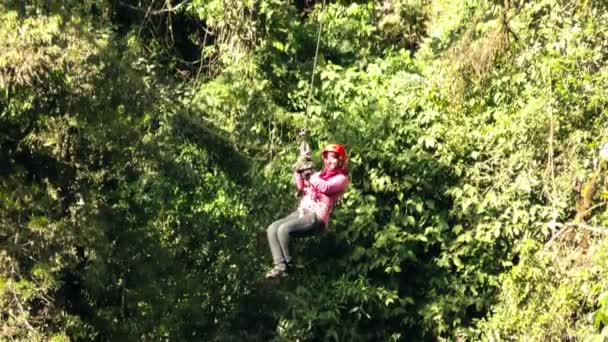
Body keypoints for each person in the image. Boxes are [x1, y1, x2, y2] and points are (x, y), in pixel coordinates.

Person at [265, 144, 350, 279]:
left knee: (284, 230)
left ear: (340, 160)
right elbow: (301, 186)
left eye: (333, 158)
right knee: (272, 228)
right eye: (327, 158)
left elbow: (325, 187)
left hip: (317, 216)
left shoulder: (342, 179)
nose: (329, 161)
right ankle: (280, 267)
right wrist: (299, 169)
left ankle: (289, 267)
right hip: (303, 212)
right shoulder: (319, 175)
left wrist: (310, 174)